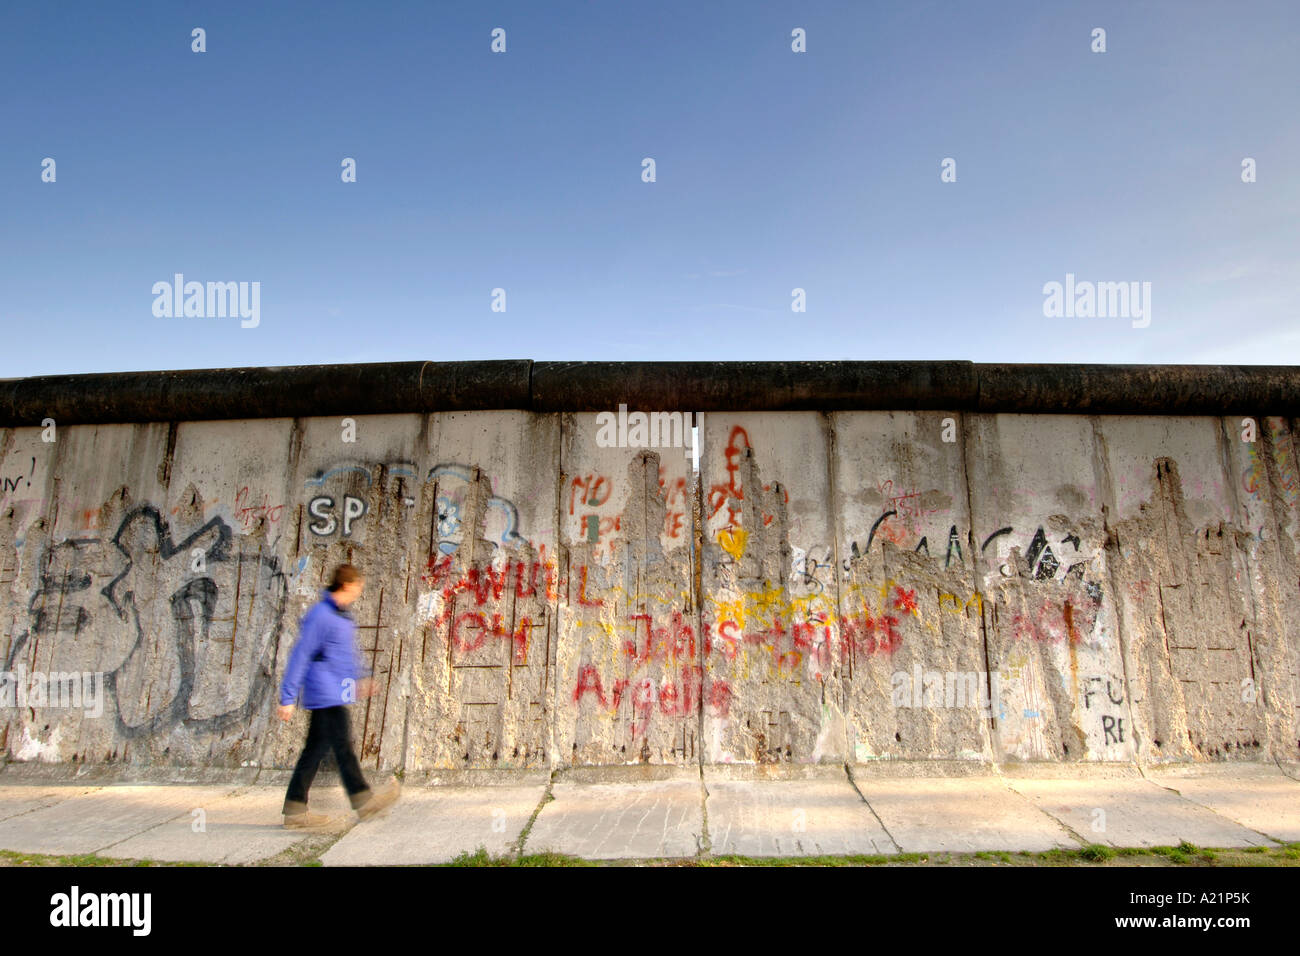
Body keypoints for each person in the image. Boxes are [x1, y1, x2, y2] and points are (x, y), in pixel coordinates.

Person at [278, 563, 400, 828]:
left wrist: (361, 678)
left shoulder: (341, 616)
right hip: (325, 692)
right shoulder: (321, 615)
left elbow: (346, 654)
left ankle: (295, 810)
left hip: (335, 691)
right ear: (346, 585)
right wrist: (287, 697)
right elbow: (301, 654)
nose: (359, 591)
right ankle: (364, 803)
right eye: (357, 587)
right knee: (343, 748)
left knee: (314, 750)